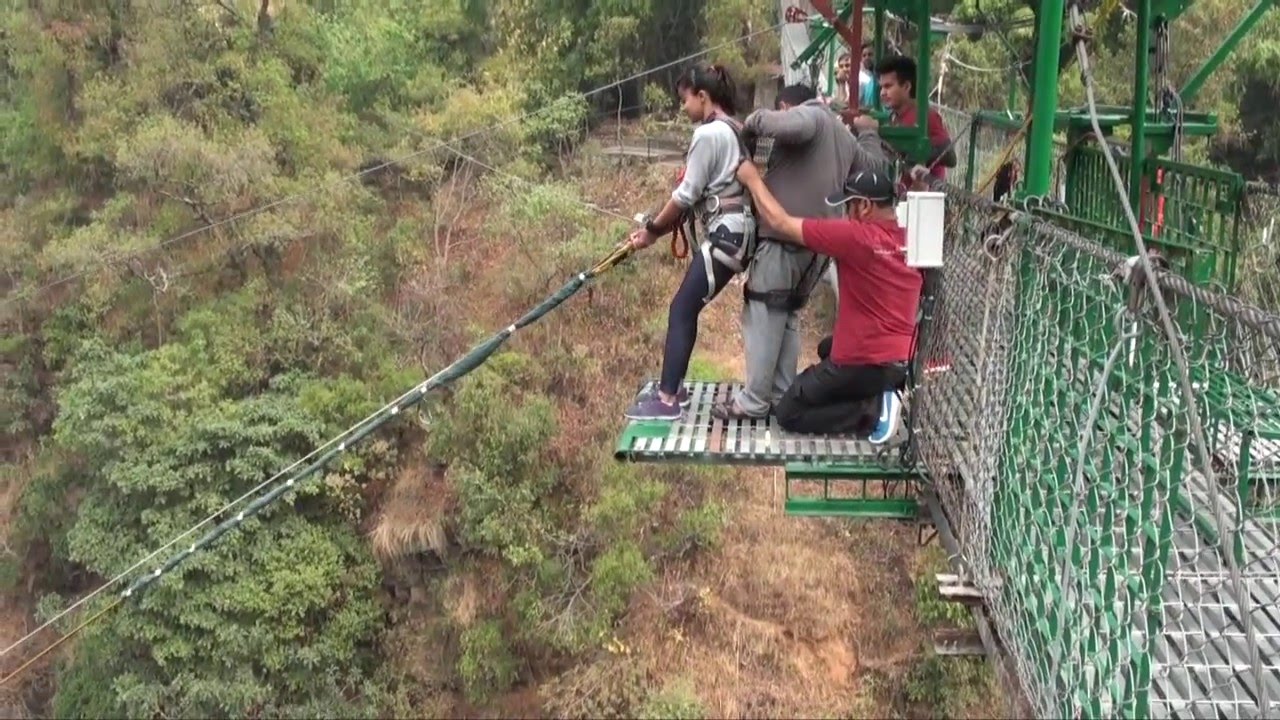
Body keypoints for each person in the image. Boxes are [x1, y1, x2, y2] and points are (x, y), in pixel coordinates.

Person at [710, 84, 888, 423]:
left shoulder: (811, 116)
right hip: (816, 249)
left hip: (784, 240)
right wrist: (868, 133)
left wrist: (753, 123)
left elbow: (783, 125)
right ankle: (779, 394)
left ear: (787, 105)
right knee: (787, 315)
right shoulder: (844, 136)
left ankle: (752, 402)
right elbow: (875, 167)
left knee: (762, 309)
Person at [734, 160, 922, 441]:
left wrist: (751, 178)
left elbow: (779, 222)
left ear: (865, 206)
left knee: (789, 412)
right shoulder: (912, 238)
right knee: (826, 348)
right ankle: (883, 391)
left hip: (865, 359)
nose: (846, 214)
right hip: (903, 358)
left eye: (849, 206)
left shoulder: (855, 237)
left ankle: (869, 411)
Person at [623, 63, 753, 421]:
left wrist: (652, 228)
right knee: (686, 307)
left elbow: (685, 195)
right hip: (735, 233)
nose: (683, 109)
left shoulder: (709, 135)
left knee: (681, 308)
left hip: (726, 235)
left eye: (685, 101)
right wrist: (656, 229)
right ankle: (674, 386)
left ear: (702, 96)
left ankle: (667, 401)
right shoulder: (734, 129)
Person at [877, 55, 955, 191]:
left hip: (927, 199)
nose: (883, 92)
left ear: (906, 86)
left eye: (888, 86)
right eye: (881, 87)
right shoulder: (894, 117)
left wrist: (916, 155)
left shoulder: (925, 115)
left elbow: (950, 156)